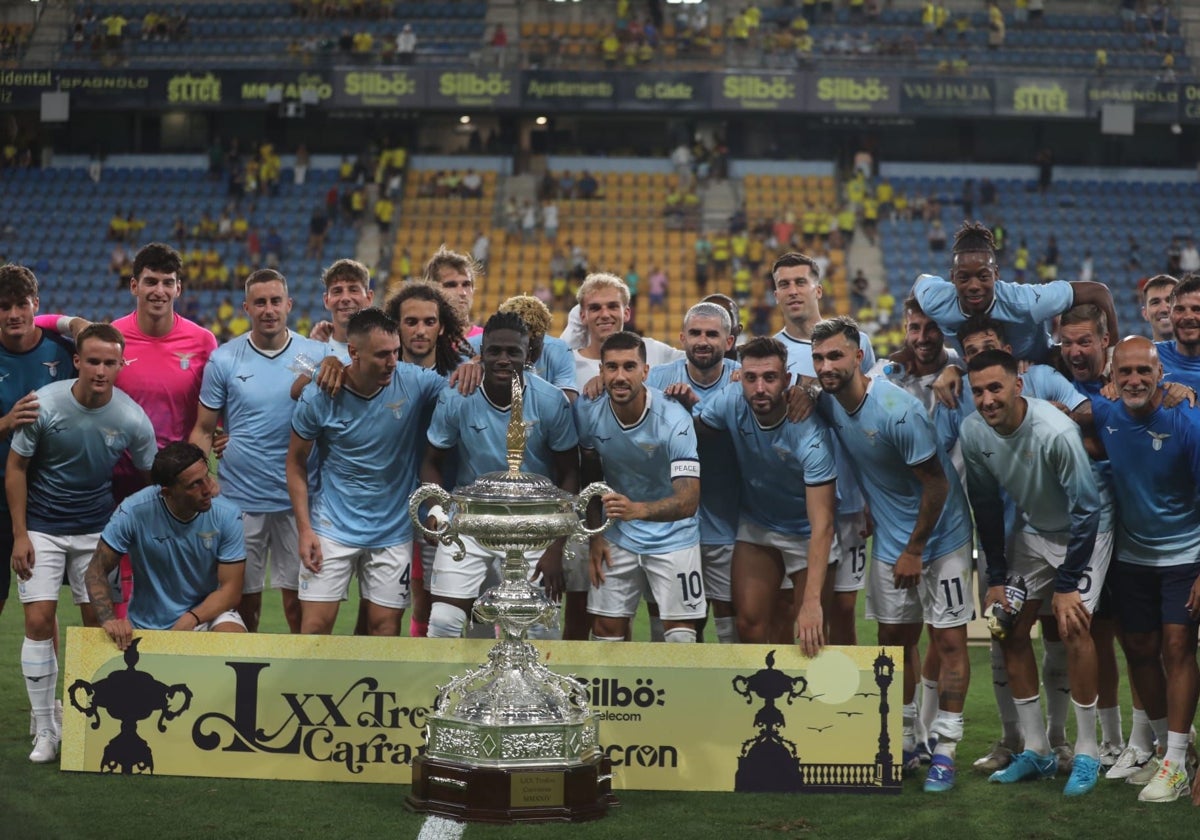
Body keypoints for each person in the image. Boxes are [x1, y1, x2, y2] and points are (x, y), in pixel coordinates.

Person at [810, 316, 973, 793]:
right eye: (819, 358)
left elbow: (938, 483)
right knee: (893, 640)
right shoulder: (830, 401)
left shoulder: (897, 411)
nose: (826, 366)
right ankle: (905, 740)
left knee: (948, 642)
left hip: (940, 539)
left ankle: (945, 749)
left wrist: (915, 549)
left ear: (859, 357)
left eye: (836, 356)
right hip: (890, 544)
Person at [960, 349, 1105, 797]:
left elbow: (1087, 509)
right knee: (1006, 628)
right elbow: (984, 507)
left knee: (1074, 627)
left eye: (995, 388)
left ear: (1017, 386)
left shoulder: (1056, 432)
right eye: (978, 390)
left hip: (1086, 533)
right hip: (1034, 533)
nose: (986, 399)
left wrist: (1065, 586)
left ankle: (1087, 752)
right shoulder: (972, 432)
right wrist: (997, 578)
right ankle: (1038, 750)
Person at [10, 324, 157, 763]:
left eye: (110, 363)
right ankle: (45, 728)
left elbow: (151, 481)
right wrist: (20, 534)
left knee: (98, 625)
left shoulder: (131, 418)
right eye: (92, 361)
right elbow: (16, 468)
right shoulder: (45, 404)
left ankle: (88, 724)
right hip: (42, 526)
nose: (100, 370)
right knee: (39, 620)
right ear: (77, 361)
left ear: (120, 365)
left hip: (98, 532)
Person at [287, 308, 446, 636]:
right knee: (314, 628)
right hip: (331, 526)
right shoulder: (319, 396)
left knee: (384, 630)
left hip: (392, 529)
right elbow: (296, 463)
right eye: (382, 355)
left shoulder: (413, 381)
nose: (392, 362)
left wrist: (471, 368)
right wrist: (304, 530)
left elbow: (459, 391)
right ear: (354, 352)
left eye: (395, 352)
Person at [1089, 337, 1200, 802]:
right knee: (1137, 650)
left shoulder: (1187, 420)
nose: (1135, 380)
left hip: (1186, 556)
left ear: (1161, 374)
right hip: (1131, 557)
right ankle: (1173, 749)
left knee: (1177, 647)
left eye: (1144, 371)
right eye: (1125, 372)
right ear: (1111, 377)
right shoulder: (1104, 413)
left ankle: (1174, 765)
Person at [421, 312, 578, 639]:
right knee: (444, 621)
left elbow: (569, 474)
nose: (503, 360)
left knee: (541, 629)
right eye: (494, 351)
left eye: (513, 352)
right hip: (471, 521)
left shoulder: (551, 401)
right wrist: (437, 511)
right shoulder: (457, 396)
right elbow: (432, 461)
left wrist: (554, 548)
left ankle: (535, 692)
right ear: (482, 352)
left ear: (529, 355)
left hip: (535, 526)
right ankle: (446, 692)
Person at [189, 269, 328, 634]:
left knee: (299, 610)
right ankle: (248, 688)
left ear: (289, 305)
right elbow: (204, 429)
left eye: (276, 301)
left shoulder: (316, 355)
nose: (269, 309)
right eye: (260, 302)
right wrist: (197, 479)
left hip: (297, 503)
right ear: (246, 307)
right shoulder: (224, 359)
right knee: (243, 607)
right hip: (239, 502)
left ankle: (296, 685)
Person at [695, 337, 836, 654]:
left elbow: (823, 525)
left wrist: (812, 603)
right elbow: (691, 430)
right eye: (751, 378)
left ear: (787, 379)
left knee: (810, 633)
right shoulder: (730, 401)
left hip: (806, 531)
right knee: (749, 625)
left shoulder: (810, 435)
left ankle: (805, 703)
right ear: (739, 377)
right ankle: (761, 697)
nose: (759, 388)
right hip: (758, 524)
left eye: (770, 378)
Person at [772, 253, 874, 646]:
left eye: (800, 282)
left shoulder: (855, 341)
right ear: (776, 294)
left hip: (848, 500)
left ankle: (843, 697)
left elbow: (868, 418)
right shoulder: (771, 353)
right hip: (793, 507)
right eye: (784, 284)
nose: (793, 290)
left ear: (818, 288)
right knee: (788, 606)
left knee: (843, 609)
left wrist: (870, 495)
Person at [576, 331, 702, 644]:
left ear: (645, 371)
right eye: (612, 367)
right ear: (601, 371)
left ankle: (678, 695)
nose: (620, 376)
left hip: (675, 534)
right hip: (618, 533)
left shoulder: (674, 418)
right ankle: (612, 693)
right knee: (605, 634)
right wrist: (596, 535)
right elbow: (590, 476)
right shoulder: (589, 413)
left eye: (629, 367)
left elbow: (688, 500)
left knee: (681, 639)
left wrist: (637, 510)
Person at [83, 442, 246, 650]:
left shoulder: (227, 514)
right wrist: (108, 620)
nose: (208, 489)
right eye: (195, 484)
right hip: (150, 624)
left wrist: (192, 618)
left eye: (207, 476)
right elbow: (95, 571)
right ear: (167, 493)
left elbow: (230, 590)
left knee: (232, 638)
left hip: (206, 614)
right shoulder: (133, 511)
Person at [648, 302, 741, 644]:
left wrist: (693, 412)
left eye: (712, 334)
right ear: (682, 337)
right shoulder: (657, 380)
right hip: (671, 525)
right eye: (696, 333)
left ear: (728, 341)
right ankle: (673, 694)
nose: (703, 341)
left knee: (730, 622)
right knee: (672, 625)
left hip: (727, 522)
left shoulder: (744, 377)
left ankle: (727, 695)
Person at [913, 222, 1117, 365]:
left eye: (983, 276)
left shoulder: (1027, 303)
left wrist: (1112, 356)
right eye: (964, 278)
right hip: (978, 376)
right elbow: (920, 282)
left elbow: (1099, 292)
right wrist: (908, 351)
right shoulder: (935, 301)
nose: (974, 286)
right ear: (952, 278)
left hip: (1037, 369)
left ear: (996, 275)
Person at [0, 265, 77, 624]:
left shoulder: (63, 351)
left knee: (43, 609)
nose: (14, 314)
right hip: (2, 496)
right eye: (4, 306)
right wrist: (6, 422)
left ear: (36, 304)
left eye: (21, 304)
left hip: (49, 498)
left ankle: (49, 680)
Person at [309, 258, 375, 357]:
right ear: (326, 300)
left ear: (369, 298)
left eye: (353, 290)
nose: (345, 298)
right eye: (337, 291)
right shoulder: (313, 353)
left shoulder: (388, 350)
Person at [423, 246, 482, 340]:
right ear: (432, 291)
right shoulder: (423, 341)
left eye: (466, 284)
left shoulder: (487, 341)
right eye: (451, 285)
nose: (462, 293)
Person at [1158, 272, 1200, 389]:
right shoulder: (1149, 355)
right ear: (1170, 314)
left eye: (1196, 309)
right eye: (1179, 309)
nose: (1188, 316)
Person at [1141, 274, 1177, 343]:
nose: (1164, 309)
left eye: (1170, 300)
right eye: (1155, 303)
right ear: (1145, 313)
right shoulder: (1138, 354)